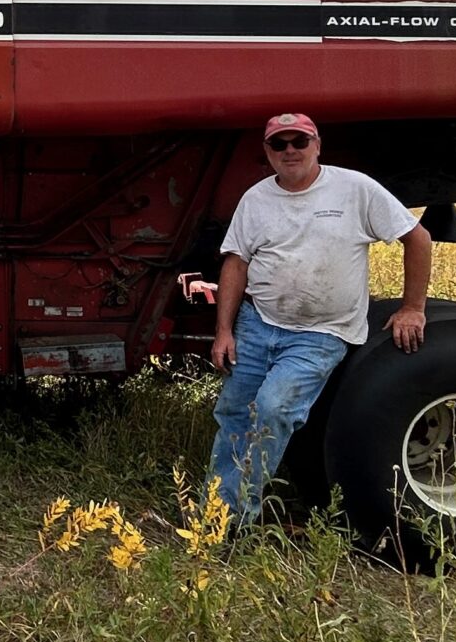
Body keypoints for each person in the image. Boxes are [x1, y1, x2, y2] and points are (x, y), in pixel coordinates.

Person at [176, 112, 432, 523]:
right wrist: (224, 331)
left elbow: (416, 237)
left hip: (321, 333)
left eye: (299, 141)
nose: (290, 150)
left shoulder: (355, 189)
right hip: (258, 324)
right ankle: (219, 511)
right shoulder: (256, 199)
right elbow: (236, 264)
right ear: (267, 152)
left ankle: (234, 518)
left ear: (317, 145)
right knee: (234, 412)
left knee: (273, 408)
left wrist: (413, 307)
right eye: (279, 144)